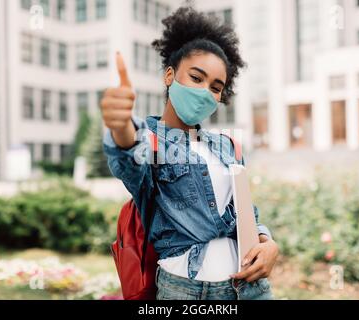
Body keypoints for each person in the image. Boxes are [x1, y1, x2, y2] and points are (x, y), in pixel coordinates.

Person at [101, 6, 278, 300]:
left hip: (249, 289)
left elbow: (247, 214)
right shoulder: (152, 142)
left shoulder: (227, 145)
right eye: (197, 78)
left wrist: (267, 242)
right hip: (185, 292)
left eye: (216, 87)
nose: (206, 92)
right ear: (170, 75)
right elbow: (129, 156)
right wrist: (120, 126)